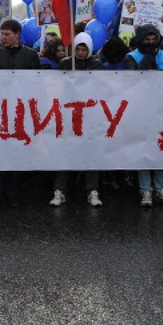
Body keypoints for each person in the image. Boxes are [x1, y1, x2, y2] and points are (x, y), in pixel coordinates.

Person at [0, 19, 40, 208]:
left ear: (18, 34)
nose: (3, 37)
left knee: (15, 154)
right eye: (2, 34)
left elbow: (36, 84)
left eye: (7, 34)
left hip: (20, 113)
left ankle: (12, 194)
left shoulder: (30, 56)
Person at [50, 32, 104, 207]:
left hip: (89, 115)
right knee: (64, 153)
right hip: (68, 115)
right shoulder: (65, 63)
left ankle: (92, 190)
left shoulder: (97, 65)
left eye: (83, 49)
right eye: (78, 49)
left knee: (91, 153)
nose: (80, 53)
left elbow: (100, 88)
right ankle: (60, 191)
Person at [124, 24, 163, 207]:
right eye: (147, 40)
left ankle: (161, 187)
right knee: (144, 151)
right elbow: (131, 80)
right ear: (140, 40)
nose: (151, 43)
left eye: (154, 39)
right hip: (141, 111)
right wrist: (146, 60)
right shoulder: (131, 58)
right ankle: (145, 190)